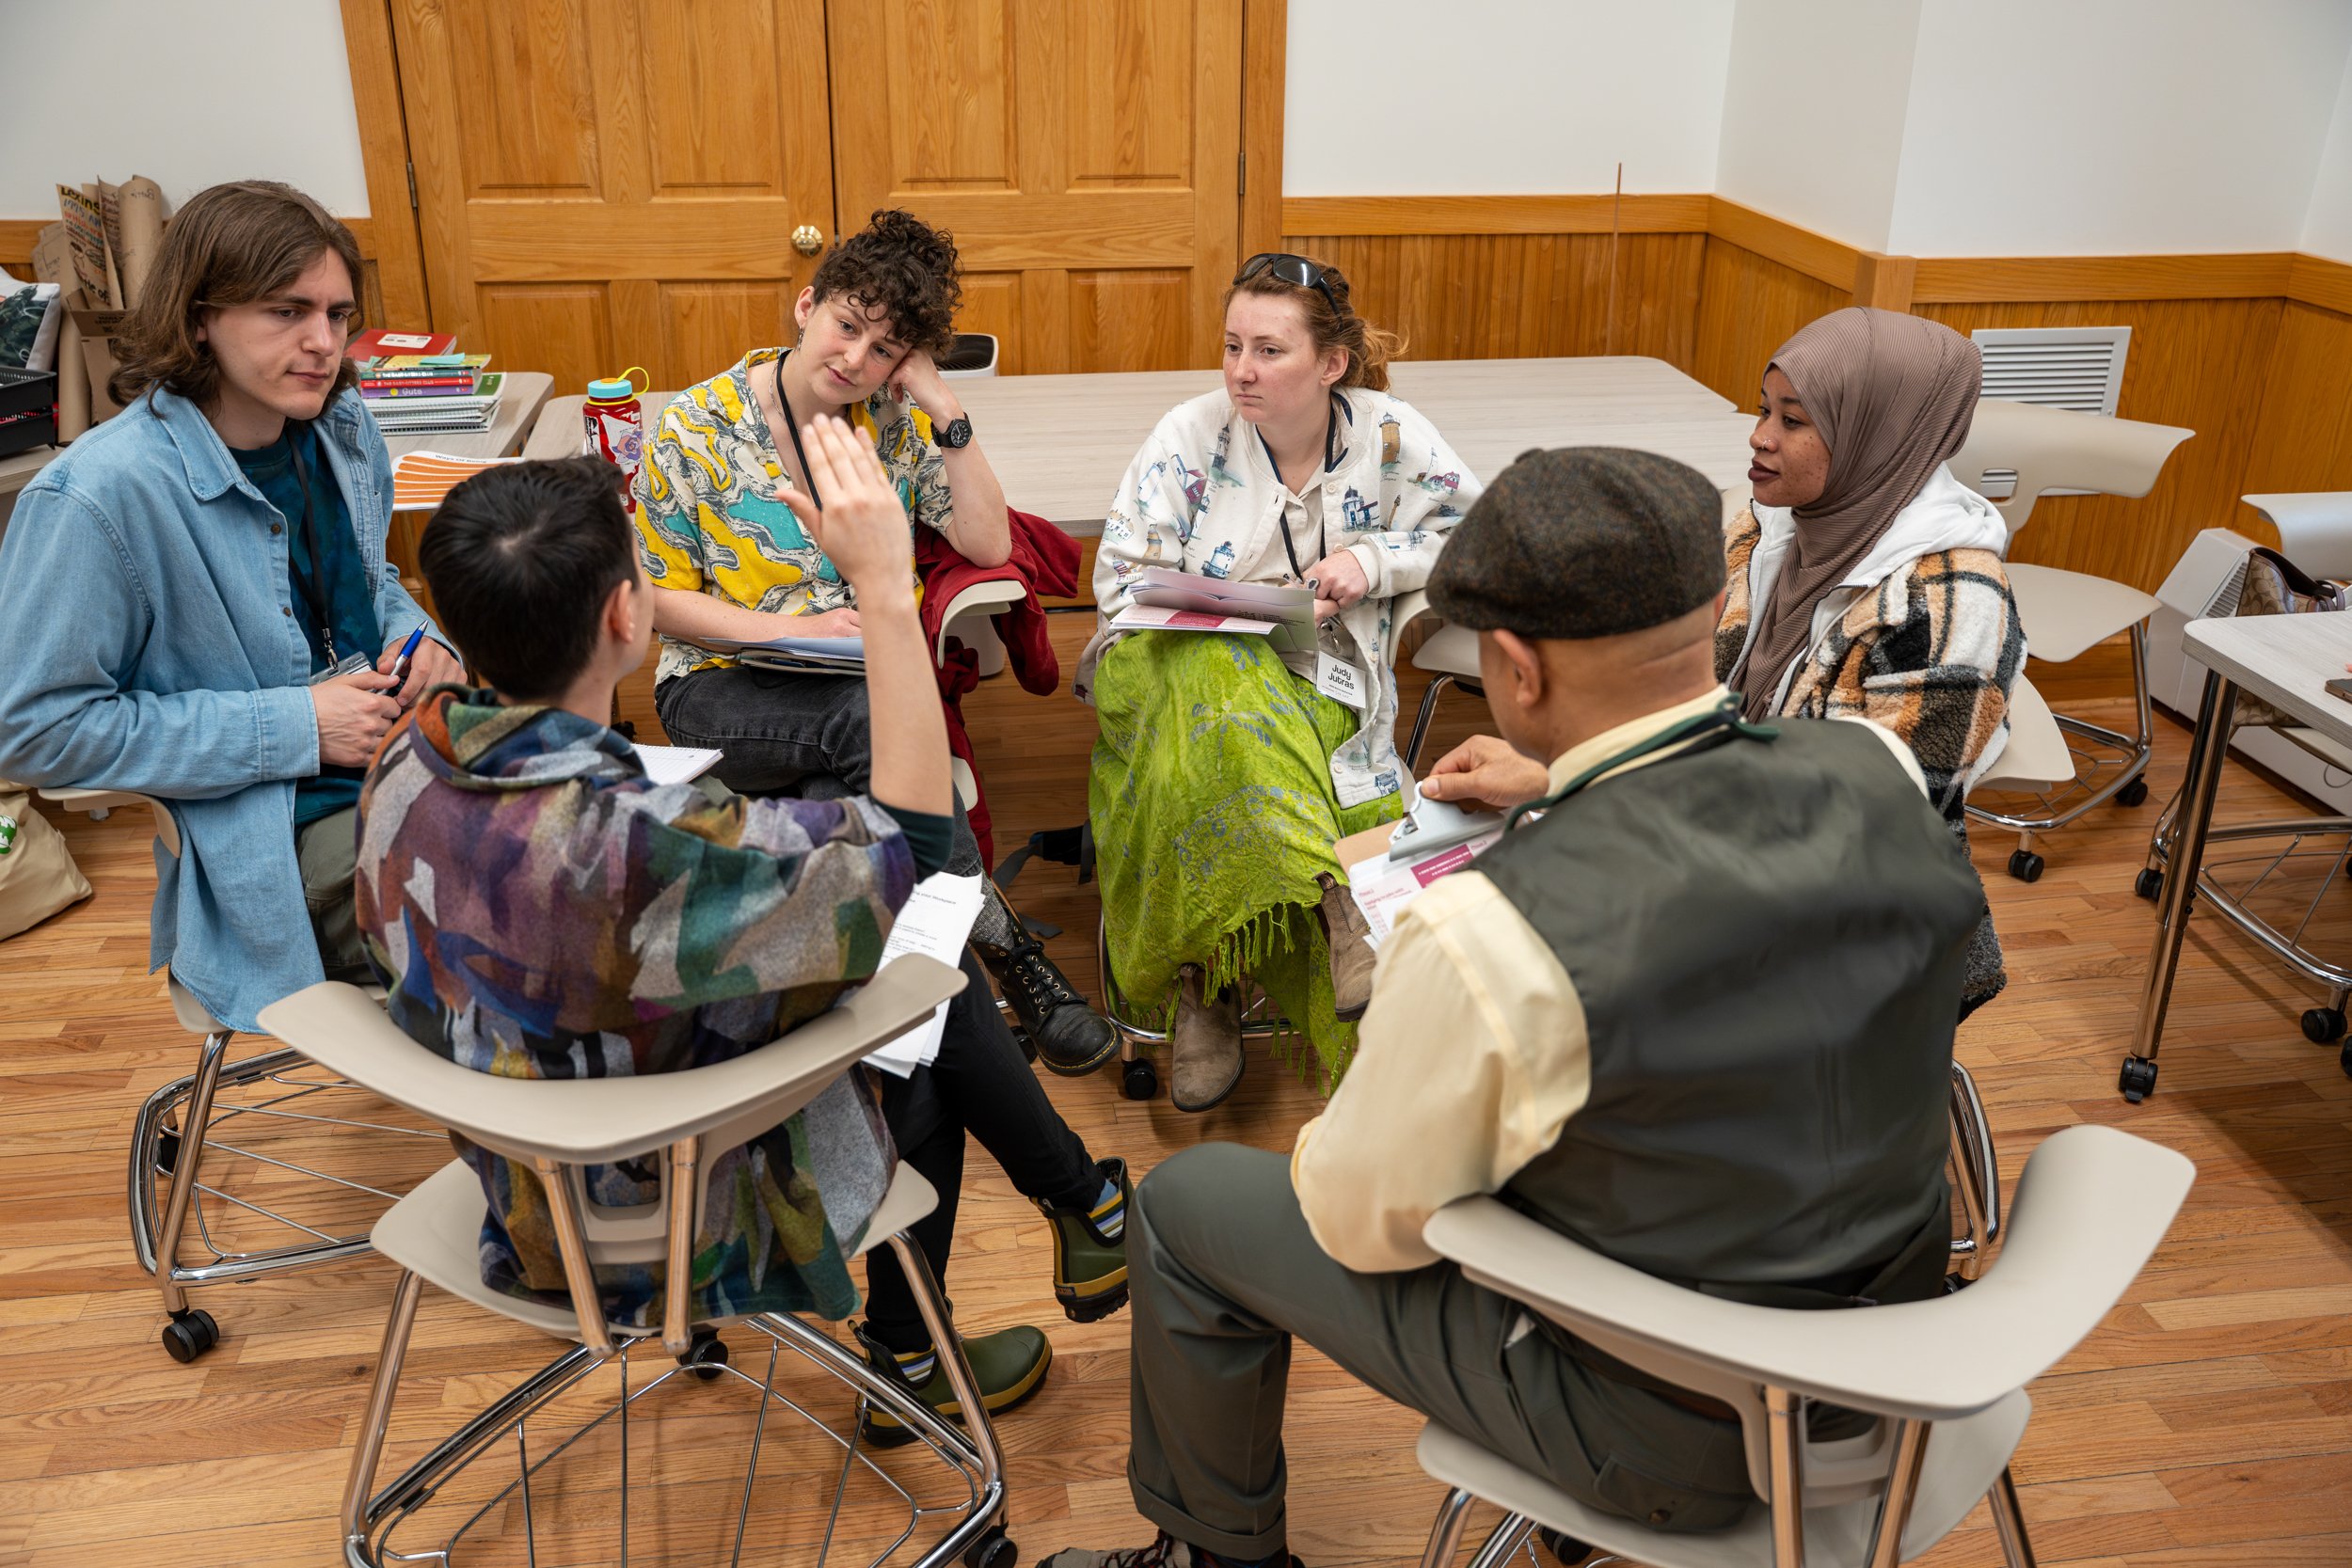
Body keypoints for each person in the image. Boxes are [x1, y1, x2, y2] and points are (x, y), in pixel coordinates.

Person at [1040, 448, 1987, 1568]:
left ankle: (1213, 1556)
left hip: (1675, 1433)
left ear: (1515, 671)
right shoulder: (1874, 763)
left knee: (1189, 1202)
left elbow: (1360, 1222)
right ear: (1716, 607)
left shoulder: (1494, 931)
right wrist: (1563, 786)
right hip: (1906, 1357)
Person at [359, 441, 1132, 1435]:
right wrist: (887, 594)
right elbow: (918, 842)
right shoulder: (652, 848)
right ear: (624, 615)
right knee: (922, 1027)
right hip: (668, 1216)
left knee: (886, 969)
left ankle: (1076, 1214)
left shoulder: (403, 763)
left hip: (515, 1179)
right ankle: (921, 1341)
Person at [1425, 307, 2022, 1016]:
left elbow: (1844, 818)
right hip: (1724, 855)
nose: (1759, 436)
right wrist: (1558, 777)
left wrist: (1577, 789)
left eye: (1793, 421)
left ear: (1880, 438)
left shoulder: (1955, 601)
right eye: (1765, 408)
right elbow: (1700, 718)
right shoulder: (1767, 524)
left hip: (1856, 934)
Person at [638, 208, 1116, 1076]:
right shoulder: (692, 427)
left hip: (838, 696)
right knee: (869, 721)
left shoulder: (888, 425)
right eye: (846, 327)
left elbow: (986, 544)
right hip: (716, 688)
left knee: (846, 793)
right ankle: (1006, 945)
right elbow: (660, 602)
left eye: (885, 349)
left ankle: (921, 1012)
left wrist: (946, 407)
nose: (855, 360)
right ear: (806, 304)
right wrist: (794, 629)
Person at [0, 180, 464, 1033]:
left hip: (416, 756)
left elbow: (372, 581)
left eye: (338, 314)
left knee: (609, 845)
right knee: (538, 918)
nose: (323, 343)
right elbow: (31, 731)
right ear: (200, 316)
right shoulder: (97, 495)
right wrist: (296, 725)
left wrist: (423, 638)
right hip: (290, 835)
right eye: (287, 311)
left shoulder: (341, 421)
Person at [1078, 254, 1479, 1112]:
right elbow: (1119, 580)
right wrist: (1231, 612)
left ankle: (1206, 986)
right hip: (1163, 671)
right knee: (1218, 679)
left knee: (1235, 721)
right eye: (1231, 347)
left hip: (1318, 679)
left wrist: (1374, 559)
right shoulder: (1190, 435)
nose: (1240, 372)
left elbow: (1476, 538)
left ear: (1331, 365)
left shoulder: (1389, 436)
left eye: (1267, 351)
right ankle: (1333, 897)